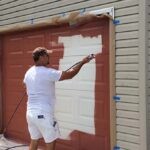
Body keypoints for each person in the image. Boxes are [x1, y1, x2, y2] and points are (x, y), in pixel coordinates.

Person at [23, 47, 95, 150]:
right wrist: (83, 62)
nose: (49, 58)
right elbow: (70, 74)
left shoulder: (29, 72)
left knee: (34, 140)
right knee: (50, 142)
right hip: (43, 114)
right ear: (42, 57)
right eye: (47, 55)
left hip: (30, 114)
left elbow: (24, 84)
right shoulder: (48, 72)